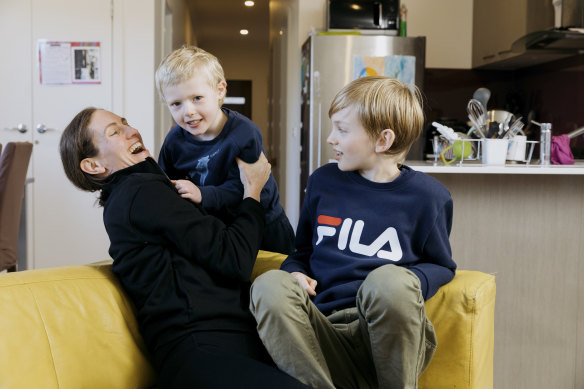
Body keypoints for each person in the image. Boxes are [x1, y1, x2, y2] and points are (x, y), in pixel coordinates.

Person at [59, 107, 310, 389]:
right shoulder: (140, 192)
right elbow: (234, 258)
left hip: (225, 344)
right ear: (94, 166)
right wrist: (252, 190)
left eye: (125, 123)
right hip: (202, 351)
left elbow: (212, 245)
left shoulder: (146, 192)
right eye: (115, 132)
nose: (132, 131)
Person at [249, 76, 457, 389]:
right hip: (320, 335)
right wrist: (294, 273)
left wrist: (401, 283)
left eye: (342, 130)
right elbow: (301, 252)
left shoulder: (429, 198)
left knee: (389, 282)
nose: (331, 138)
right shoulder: (323, 182)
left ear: (383, 141)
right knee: (268, 285)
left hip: (384, 341)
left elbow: (441, 266)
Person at [155, 45, 295, 255]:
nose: (188, 112)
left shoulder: (244, 133)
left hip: (265, 230)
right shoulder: (174, 140)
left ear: (219, 91)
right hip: (218, 235)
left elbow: (248, 186)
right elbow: (165, 182)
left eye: (197, 98)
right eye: (176, 104)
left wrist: (201, 194)